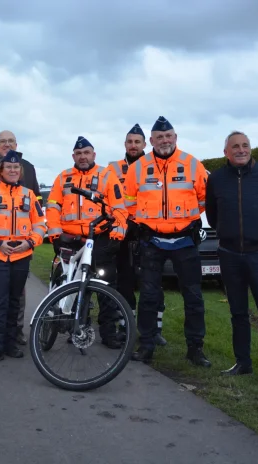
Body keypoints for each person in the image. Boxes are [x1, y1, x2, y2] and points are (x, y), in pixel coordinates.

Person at [205, 131, 258, 390]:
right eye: (235, 147)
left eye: (245, 145)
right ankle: (243, 362)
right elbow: (212, 214)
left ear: (250, 149)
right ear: (226, 153)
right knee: (238, 312)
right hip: (230, 255)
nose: (241, 150)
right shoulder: (217, 179)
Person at [123, 116, 210, 367]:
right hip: (152, 242)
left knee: (193, 296)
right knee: (149, 296)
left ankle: (195, 348)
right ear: (151, 141)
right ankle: (146, 345)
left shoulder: (193, 164)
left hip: (185, 241)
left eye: (168, 136)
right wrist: (143, 222)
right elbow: (129, 202)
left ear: (175, 138)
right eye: (159, 137)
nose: (164, 140)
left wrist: (187, 219)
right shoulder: (138, 167)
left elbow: (204, 198)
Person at [45, 136, 129, 348]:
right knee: (71, 285)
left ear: (94, 155)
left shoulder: (107, 176)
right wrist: (55, 236)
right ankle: (77, 329)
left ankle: (108, 334)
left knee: (106, 286)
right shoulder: (63, 178)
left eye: (87, 153)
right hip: (70, 239)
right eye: (79, 153)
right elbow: (52, 208)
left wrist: (116, 236)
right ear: (73, 156)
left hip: (100, 239)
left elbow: (119, 209)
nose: (83, 157)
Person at [0, 150, 46, 364]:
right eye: (8, 167)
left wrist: (30, 242)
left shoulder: (29, 195)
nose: (13, 170)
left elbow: (40, 224)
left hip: (22, 255)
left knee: (15, 302)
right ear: (1, 171)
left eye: (16, 167)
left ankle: (10, 344)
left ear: (20, 171)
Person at [107, 124, 167, 347]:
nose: (133, 146)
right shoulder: (112, 169)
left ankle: (154, 329)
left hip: (149, 233)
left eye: (137, 142)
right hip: (123, 232)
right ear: (125, 144)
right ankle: (125, 326)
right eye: (130, 142)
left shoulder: (156, 166)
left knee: (153, 282)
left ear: (145, 144)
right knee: (124, 281)